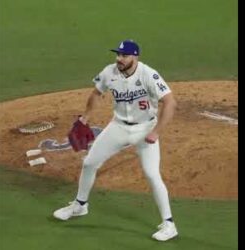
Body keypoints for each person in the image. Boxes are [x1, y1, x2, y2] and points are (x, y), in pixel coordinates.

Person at [53, 39, 178, 241]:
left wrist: (156, 132)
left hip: (145, 128)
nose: (119, 59)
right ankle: (80, 205)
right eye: (118, 55)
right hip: (118, 126)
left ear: (135, 57)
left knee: (152, 174)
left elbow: (170, 102)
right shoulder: (109, 72)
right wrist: (85, 117)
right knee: (90, 163)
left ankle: (169, 224)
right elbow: (96, 93)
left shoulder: (148, 74)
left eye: (124, 55)